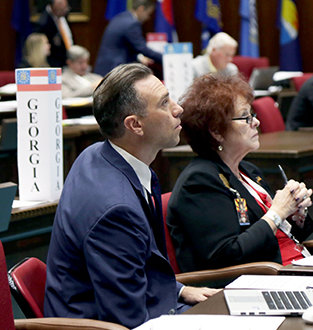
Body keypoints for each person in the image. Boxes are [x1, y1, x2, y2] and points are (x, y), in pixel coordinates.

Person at [44, 63, 219, 328]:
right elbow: (128, 320)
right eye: (164, 103)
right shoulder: (116, 210)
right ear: (135, 125)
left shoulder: (98, 155)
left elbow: (136, 264)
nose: (178, 109)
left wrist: (178, 289)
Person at [167, 74, 313, 272]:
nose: (256, 122)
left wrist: (295, 213)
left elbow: (275, 235)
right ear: (216, 131)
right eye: (246, 117)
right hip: (257, 282)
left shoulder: (248, 170)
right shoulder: (199, 181)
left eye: (252, 115)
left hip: (293, 265)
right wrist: (278, 212)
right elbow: (228, 255)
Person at [93, 0, 162, 77]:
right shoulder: (131, 24)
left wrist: (139, 57)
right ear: (141, 9)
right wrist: (164, 58)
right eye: (148, 13)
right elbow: (142, 48)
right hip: (114, 68)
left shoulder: (121, 17)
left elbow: (124, 45)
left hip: (105, 65)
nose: (148, 18)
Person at [34, 0, 73, 67]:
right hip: (54, 65)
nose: (66, 10)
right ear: (54, 7)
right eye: (64, 8)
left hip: (67, 63)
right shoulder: (43, 22)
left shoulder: (63, 16)